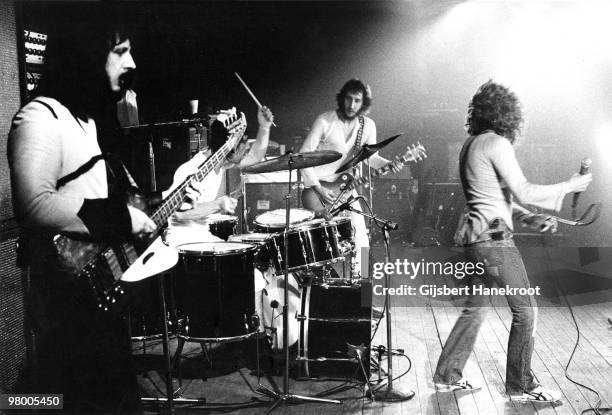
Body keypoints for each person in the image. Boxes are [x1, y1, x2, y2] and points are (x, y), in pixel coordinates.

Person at [7, 19, 210, 412]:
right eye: (120, 52)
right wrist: (125, 219)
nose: (131, 62)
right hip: (66, 299)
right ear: (85, 54)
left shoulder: (87, 122)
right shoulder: (39, 117)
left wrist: (157, 206)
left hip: (100, 297)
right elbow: (33, 205)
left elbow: (97, 200)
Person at [433, 80, 592, 403]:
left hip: (478, 243)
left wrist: (531, 218)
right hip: (495, 244)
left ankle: (446, 376)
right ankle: (521, 386)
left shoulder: (472, 143)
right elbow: (524, 191)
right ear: (509, 115)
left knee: (475, 310)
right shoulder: (497, 144)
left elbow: (498, 198)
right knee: (527, 312)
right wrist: (569, 185)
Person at [299, 79, 399, 277]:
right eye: (348, 99)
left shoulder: (367, 125)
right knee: (317, 247)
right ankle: (318, 293)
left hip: (348, 190)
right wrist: (318, 188)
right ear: (341, 98)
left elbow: (371, 158)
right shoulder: (325, 121)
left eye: (357, 101)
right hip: (318, 192)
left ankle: (361, 287)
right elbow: (303, 156)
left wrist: (388, 164)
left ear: (364, 104)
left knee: (362, 242)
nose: (351, 105)